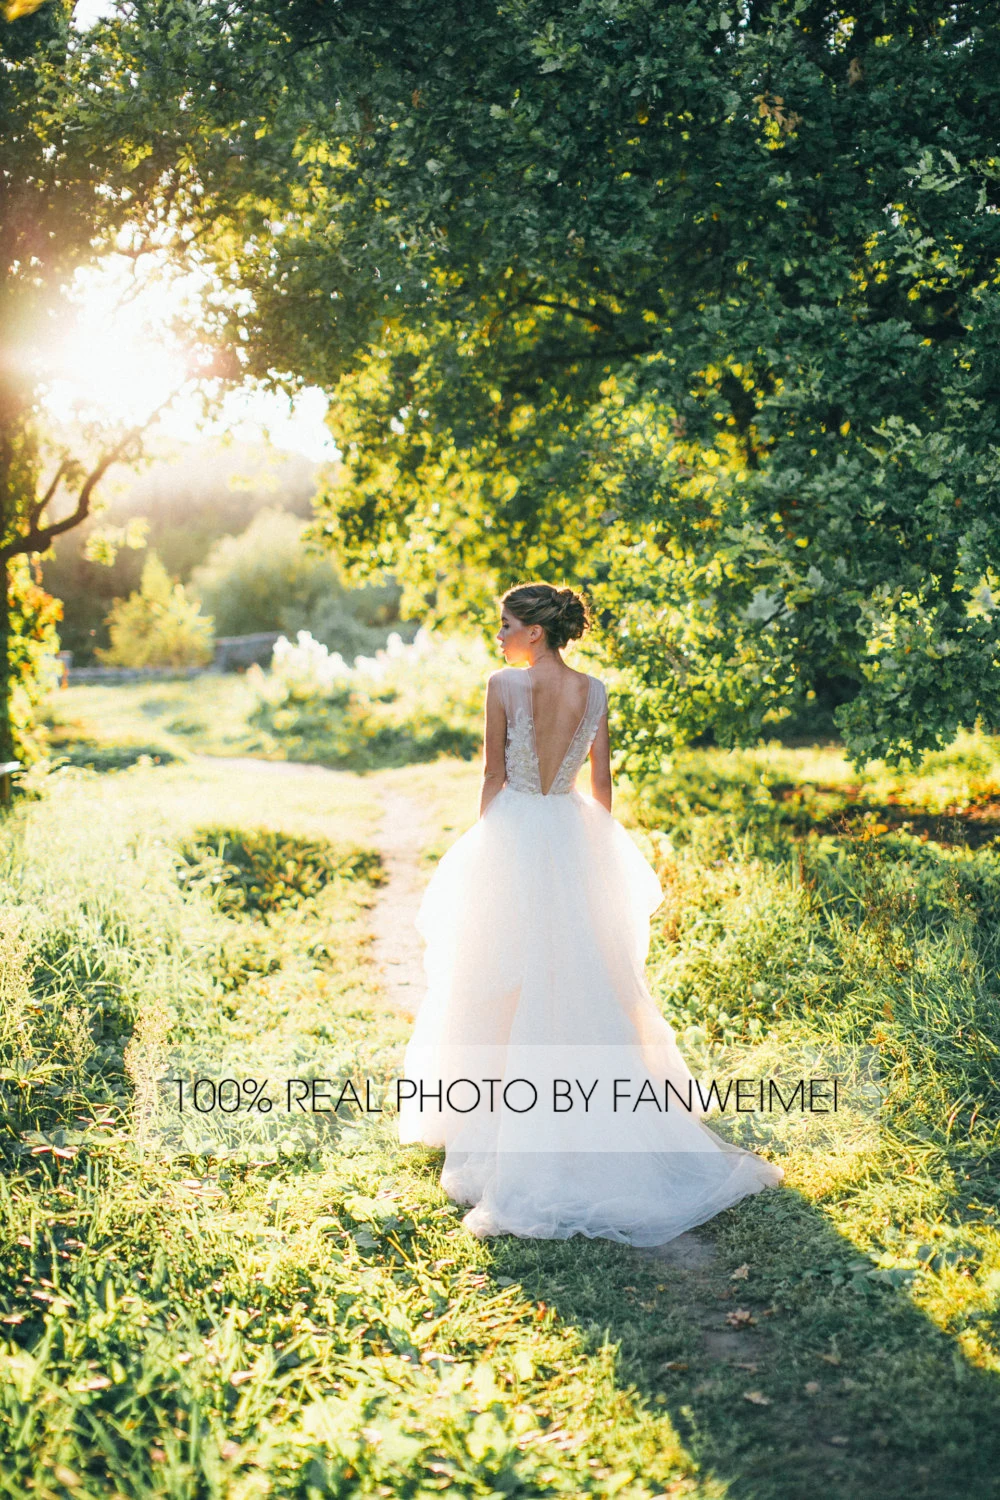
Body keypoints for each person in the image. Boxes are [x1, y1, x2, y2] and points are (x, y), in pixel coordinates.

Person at [398, 581, 784, 1244]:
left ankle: (500, 1120)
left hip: (515, 831)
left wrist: (485, 846)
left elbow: (492, 774)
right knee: (580, 978)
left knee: (501, 975)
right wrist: (597, 857)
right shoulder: (595, 690)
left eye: (506, 625)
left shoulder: (502, 686)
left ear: (535, 633)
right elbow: (602, 784)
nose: (499, 636)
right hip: (574, 832)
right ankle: (580, 1116)